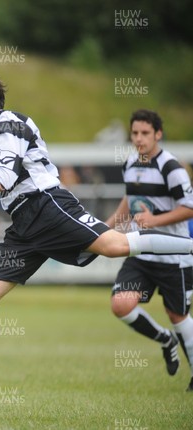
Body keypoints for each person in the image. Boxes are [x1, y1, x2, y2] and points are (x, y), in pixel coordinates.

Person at [0, 71, 193, 395]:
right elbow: (5, 178)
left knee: (116, 246)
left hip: (47, 207)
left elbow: (4, 178)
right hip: (24, 225)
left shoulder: (7, 125)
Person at [106, 109, 193, 391]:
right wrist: (106, 228)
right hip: (140, 252)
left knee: (177, 316)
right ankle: (165, 340)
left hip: (173, 257)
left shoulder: (171, 168)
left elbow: (189, 209)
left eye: (145, 133)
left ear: (158, 134)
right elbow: (128, 198)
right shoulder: (130, 162)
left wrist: (154, 220)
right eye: (135, 133)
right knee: (121, 304)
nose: (139, 139)